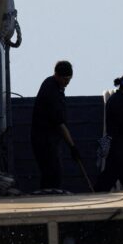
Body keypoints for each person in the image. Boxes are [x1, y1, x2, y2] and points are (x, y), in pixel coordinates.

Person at [31, 60, 79, 190]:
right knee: (52, 173)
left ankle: (48, 196)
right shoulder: (51, 91)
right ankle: (49, 198)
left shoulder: (55, 86)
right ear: (57, 75)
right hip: (44, 140)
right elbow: (60, 124)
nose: (67, 84)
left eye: (69, 81)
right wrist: (72, 146)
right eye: (65, 80)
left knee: (51, 173)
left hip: (49, 140)